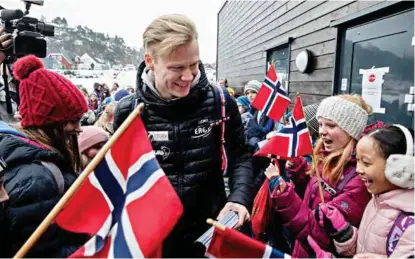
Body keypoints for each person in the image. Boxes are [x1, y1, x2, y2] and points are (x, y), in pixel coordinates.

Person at [114, 14, 253, 257]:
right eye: (177, 68)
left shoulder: (220, 101)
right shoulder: (128, 111)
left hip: (210, 233)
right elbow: (120, 175)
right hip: (155, 241)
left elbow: (241, 155)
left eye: (194, 65)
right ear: (150, 61)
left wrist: (239, 198)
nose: (188, 76)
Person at [0, 55, 88, 257]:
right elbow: (43, 250)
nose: (79, 128)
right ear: (50, 123)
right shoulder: (35, 176)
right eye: (73, 120)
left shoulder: (41, 164)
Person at [264, 95, 373, 258]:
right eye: (320, 124)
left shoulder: (359, 178)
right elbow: (314, 195)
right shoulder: (328, 156)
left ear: (351, 130)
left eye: (331, 125)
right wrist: (300, 172)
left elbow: (319, 233)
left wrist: (285, 195)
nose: (321, 131)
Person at [309, 125, 414, 258]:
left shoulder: (410, 225)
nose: (358, 169)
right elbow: (363, 250)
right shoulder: (375, 201)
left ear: (401, 168)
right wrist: (343, 231)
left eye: (366, 163)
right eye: (358, 160)